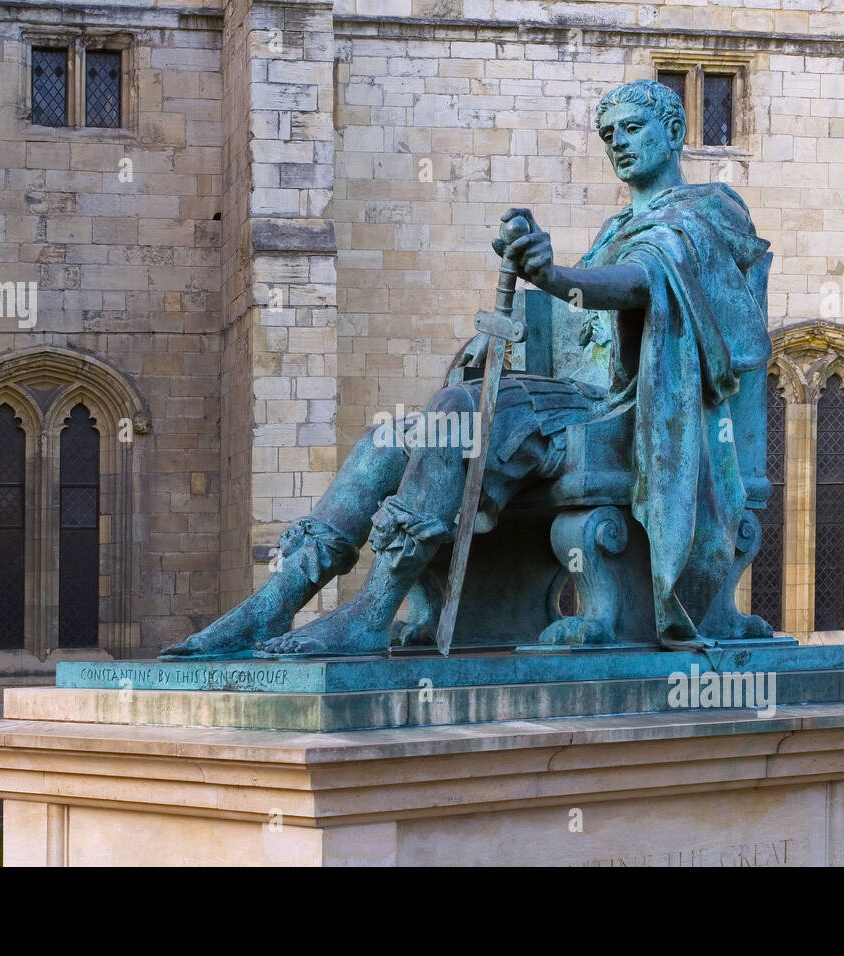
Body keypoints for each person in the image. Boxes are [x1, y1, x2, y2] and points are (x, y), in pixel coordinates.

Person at [161, 77, 771, 660]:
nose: (619, 144)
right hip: (571, 402)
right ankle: (276, 600)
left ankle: (374, 611)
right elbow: (577, 325)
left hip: (635, 414)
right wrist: (505, 333)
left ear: (674, 129)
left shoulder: (706, 210)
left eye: (632, 128)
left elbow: (644, 281)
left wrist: (555, 277)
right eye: (608, 135)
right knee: (387, 439)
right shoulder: (616, 228)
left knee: (457, 412)